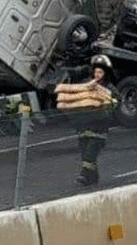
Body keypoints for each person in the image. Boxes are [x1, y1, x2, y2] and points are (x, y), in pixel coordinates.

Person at [54, 54, 117, 186]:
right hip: (83, 127)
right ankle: (92, 178)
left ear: (106, 73)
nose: (97, 74)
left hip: (99, 129)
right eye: (95, 71)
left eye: (100, 72)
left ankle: (83, 175)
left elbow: (116, 101)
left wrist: (106, 107)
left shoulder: (109, 89)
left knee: (90, 154)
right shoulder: (86, 85)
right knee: (85, 155)